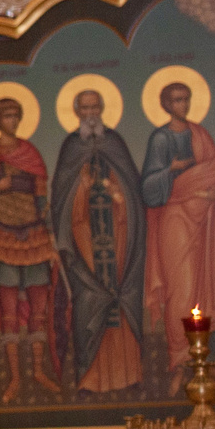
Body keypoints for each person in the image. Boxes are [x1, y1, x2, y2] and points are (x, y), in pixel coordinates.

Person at [0, 94, 64, 399]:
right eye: (6, 116)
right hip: (2, 239)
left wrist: (50, 234)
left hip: (33, 238)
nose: (12, 121)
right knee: (7, 312)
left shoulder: (30, 154)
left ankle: (38, 371)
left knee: (39, 310)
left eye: (15, 116)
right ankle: (15, 377)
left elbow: (40, 198)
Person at [50, 87, 146, 393]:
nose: (91, 114)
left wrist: (114, 190)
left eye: (96, 108)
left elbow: (131, 192)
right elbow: (61, 200)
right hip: (84, 239)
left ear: (102, 109)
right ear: (77, 113)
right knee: (90, 300)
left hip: (118, 237)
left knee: (121, 297)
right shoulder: (70, 147)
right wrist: (83, 186)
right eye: (85, 109)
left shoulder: (115, 142)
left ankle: (129, 375)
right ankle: (90, 378)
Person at [141, 78, 215, 368]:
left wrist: (211, 192)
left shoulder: (200, 133)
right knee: (181, 288)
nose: (183, 104)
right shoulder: (160, 139)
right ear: (167, 105)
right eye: (177, 100)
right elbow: (149, 188)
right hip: (176, 220)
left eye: (185, 98)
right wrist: (172, 171)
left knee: (206, 285)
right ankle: (180, 358)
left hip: (204, 220)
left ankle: (205, 362)